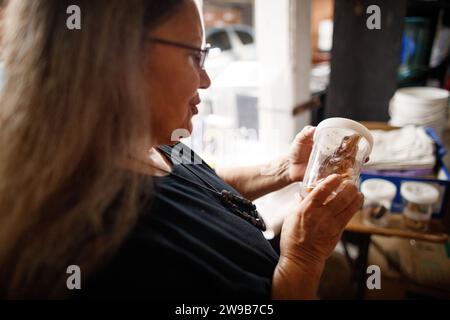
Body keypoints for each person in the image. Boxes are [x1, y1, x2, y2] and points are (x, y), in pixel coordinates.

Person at [0, 0, 363, 299]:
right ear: (116, 61)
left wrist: (282, 169)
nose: (206, 78)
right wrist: (303, 260)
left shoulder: (140, 141)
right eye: (194, 56)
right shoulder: (99, 251)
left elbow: (191, 190)